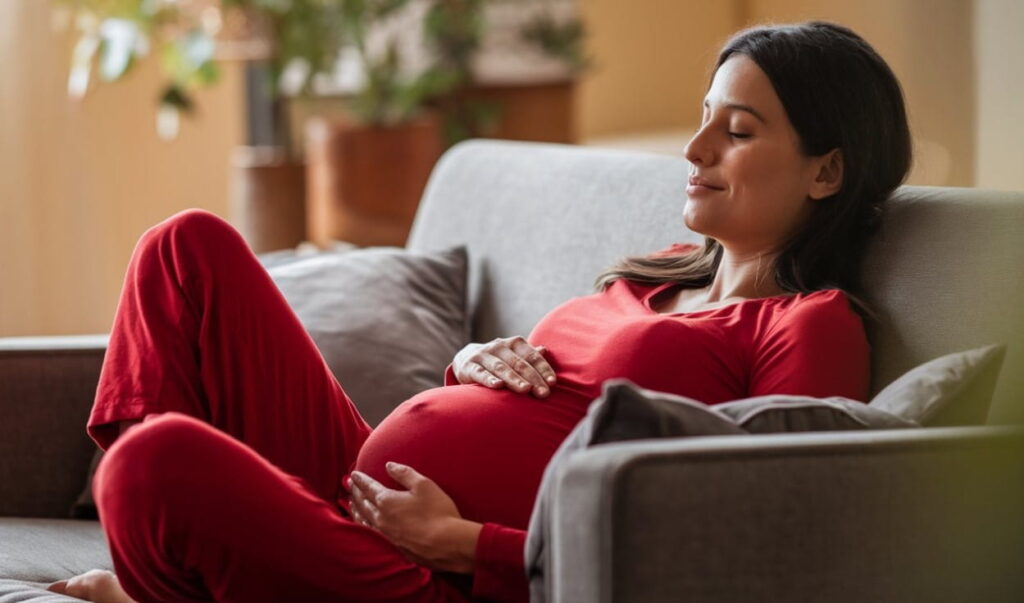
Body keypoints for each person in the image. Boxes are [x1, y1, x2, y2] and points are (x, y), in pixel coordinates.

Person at [49, 20, 911, 603]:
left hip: (442, 576)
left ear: (825, 171)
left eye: (740, 130)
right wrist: (469, 364)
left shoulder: (808, 322)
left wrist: (468, 542)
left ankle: (152, 572)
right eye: (702, 120)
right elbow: (533, 407)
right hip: (362, 493)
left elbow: (758, 532)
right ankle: (158, 567)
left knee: (155, 462)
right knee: (183, 244)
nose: (693, 150)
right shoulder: (652, 281)